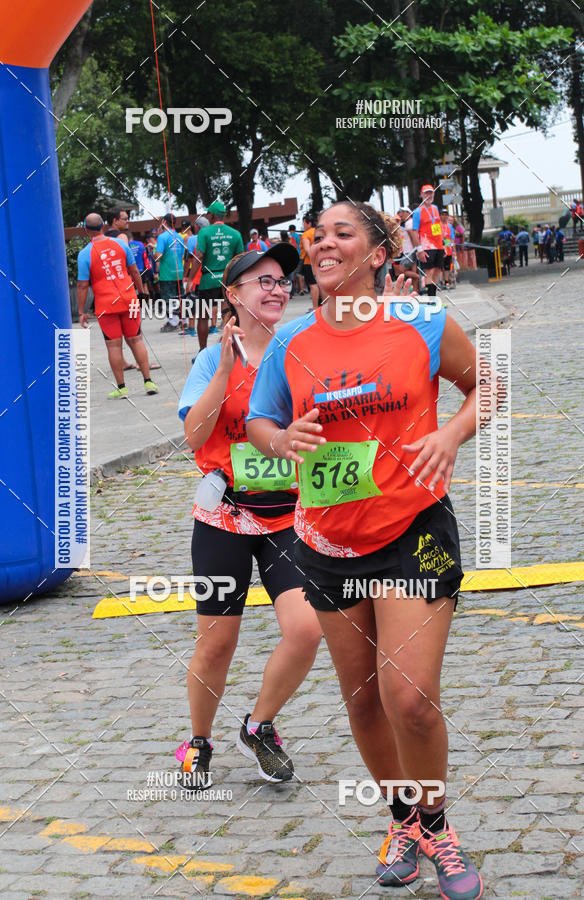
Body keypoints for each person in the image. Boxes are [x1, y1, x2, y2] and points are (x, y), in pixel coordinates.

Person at [246, 200, 485, 900]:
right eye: (316, 236)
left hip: (412, 529)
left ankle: (437, 825)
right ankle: (402, 818)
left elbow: (484, 386)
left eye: (340, 234)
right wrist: (279, 440)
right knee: (362, 701)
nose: (322, 244)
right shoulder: (291, 340)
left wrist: (449, 437)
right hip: (325, 541)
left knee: (408, 698)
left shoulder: (425, 322)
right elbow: (261, 420)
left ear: (377, 254)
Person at [176, 242, 322, 788]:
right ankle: (198, 741)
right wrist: (225, 372)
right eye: (262, 281)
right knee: (217, 641)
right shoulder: (210, 359)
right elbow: (192, 435)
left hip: (290, 519)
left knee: (306, 630)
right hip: (225, 520)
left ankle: (259, 726)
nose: (277, 288)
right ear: (232, 296)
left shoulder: (302, 351)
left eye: (282, 280)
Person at [77, 213, 158, 398]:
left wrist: (81, 311)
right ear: (103, 226)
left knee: (114, 346)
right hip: (128, 299)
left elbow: (82, 285)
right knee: (136, 340)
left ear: (86, 230)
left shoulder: (85, 254)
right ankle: (148, 381)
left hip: (106, 305)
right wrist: (142, 292)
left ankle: (122, 388)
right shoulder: (121, 244)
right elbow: (134, 270)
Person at [186, 200, 244, 352]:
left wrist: (191, 279)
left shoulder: (205, 232)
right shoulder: (235, 234)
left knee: (203, 316)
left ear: (211, 215)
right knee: (228, 315)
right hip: (227, 281)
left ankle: (202, 351)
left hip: (207, 281)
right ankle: (229, 349)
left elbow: (198, 256)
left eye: (207, 213)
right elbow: (240, 259)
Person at [406, 184, 444, 297]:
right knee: (429, 272)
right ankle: (431, 299)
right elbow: (414, 231)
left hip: (438, 245)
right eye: (426, 193)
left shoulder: (435, 208)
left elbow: (438, 228)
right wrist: (419, 249)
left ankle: (435, 298)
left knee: (437, 271)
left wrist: (443, 245)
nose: (429, 195)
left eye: (431, 192)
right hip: (427, 246)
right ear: (422, 195)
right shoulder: (418, 211)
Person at [155, 213, 187, 332]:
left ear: (164, 222)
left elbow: (158, 256)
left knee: (168, 298)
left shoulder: (162, 237)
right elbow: (183, 255)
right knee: (180, 297)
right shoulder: (179, 237)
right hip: (179, 271)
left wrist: (153, 251)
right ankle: (183, 321)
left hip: (167, 273)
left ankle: (172, 322)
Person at [390, 207, 419, 289]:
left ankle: (422, 278)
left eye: (403, 212)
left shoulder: (407, 225)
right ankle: (415, 291)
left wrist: (415, 249)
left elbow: (412, 237)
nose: (401, 214)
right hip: (408, 251)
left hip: (409, 251)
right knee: (412, 271)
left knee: (401, 270)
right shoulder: (407, 224)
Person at [301, 213, 319, 309]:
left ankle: (315, 308)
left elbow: (307, 249)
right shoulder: (318, 232)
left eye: (304, 223)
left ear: (308, 223)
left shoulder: (306, 234)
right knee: (320, 284)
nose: (303, 225)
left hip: (309, 262)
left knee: (313, 285)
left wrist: (312, 261)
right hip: (321, 261)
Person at [440, 208, 455, 288]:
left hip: (448, 249)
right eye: (442, 215)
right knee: (440, 267)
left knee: (447, 267)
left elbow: (452, 239)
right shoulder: (437, 225)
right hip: (440, 249)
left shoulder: (450, 226)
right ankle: (440, 281)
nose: (444, 217)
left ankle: (446, 281)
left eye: (446, 215)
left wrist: (453, 250)